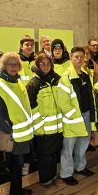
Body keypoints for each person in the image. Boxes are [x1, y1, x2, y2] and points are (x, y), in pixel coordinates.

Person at [0, 52, 34, 195]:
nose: (13, 67)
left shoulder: (17, 81)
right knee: (15, 165)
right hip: (12, 133)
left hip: (23, 132)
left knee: (19, 164)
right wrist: (9, 129)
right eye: (10, 64)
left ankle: (17, 189)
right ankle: (17, 193)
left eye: (16, 64)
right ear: (4, 66)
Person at [57, 47, 96, 186]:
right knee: (69, 147)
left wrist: (91, 116)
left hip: (85, 115)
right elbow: (63, 102)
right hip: (72, 118)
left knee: (83, 143)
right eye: (76, 57)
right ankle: (66, 173)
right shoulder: (65, 77)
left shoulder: (85, 75)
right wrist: (73, 116)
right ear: (71, 58)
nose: (79, 59)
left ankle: (80, 167)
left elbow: (90, 97)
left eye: (81, 56)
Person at [26, 53, 63, 185]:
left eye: (48, 63)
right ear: (37, 66)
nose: (45, 66)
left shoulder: (57, 80)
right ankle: (45, 180)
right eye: (42, 64)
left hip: (57, 127)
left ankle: (52, 176)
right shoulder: (33, 84)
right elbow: (32, 109)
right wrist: (38, 128)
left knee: (53, 154)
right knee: (44, 156)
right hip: (43, 129)